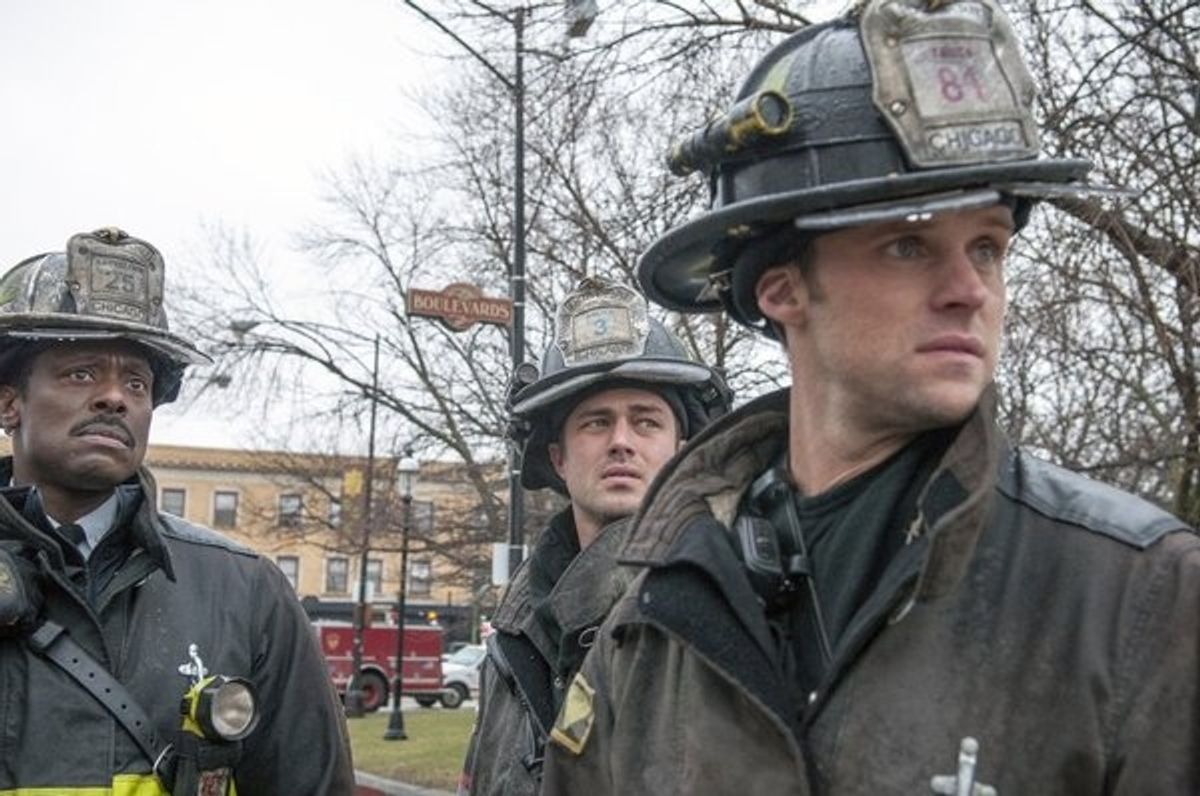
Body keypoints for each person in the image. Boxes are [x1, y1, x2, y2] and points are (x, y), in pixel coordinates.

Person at [541, 2, 1200, 794]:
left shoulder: (1139, 599)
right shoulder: (657, 613)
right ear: (783, 288)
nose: (969, 291)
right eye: (908, 243)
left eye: (987, 246)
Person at [0, 228, 354, 794]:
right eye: (82, 373)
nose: (115, 397)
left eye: (136, 382)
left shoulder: (246, 592)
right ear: (9, 402)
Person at [458, 278, 731, 795]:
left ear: (680, 450)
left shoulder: (727, 604)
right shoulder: (515, 635)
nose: (621, 441)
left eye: (646, 421)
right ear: (557, 457)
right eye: (596, 423)